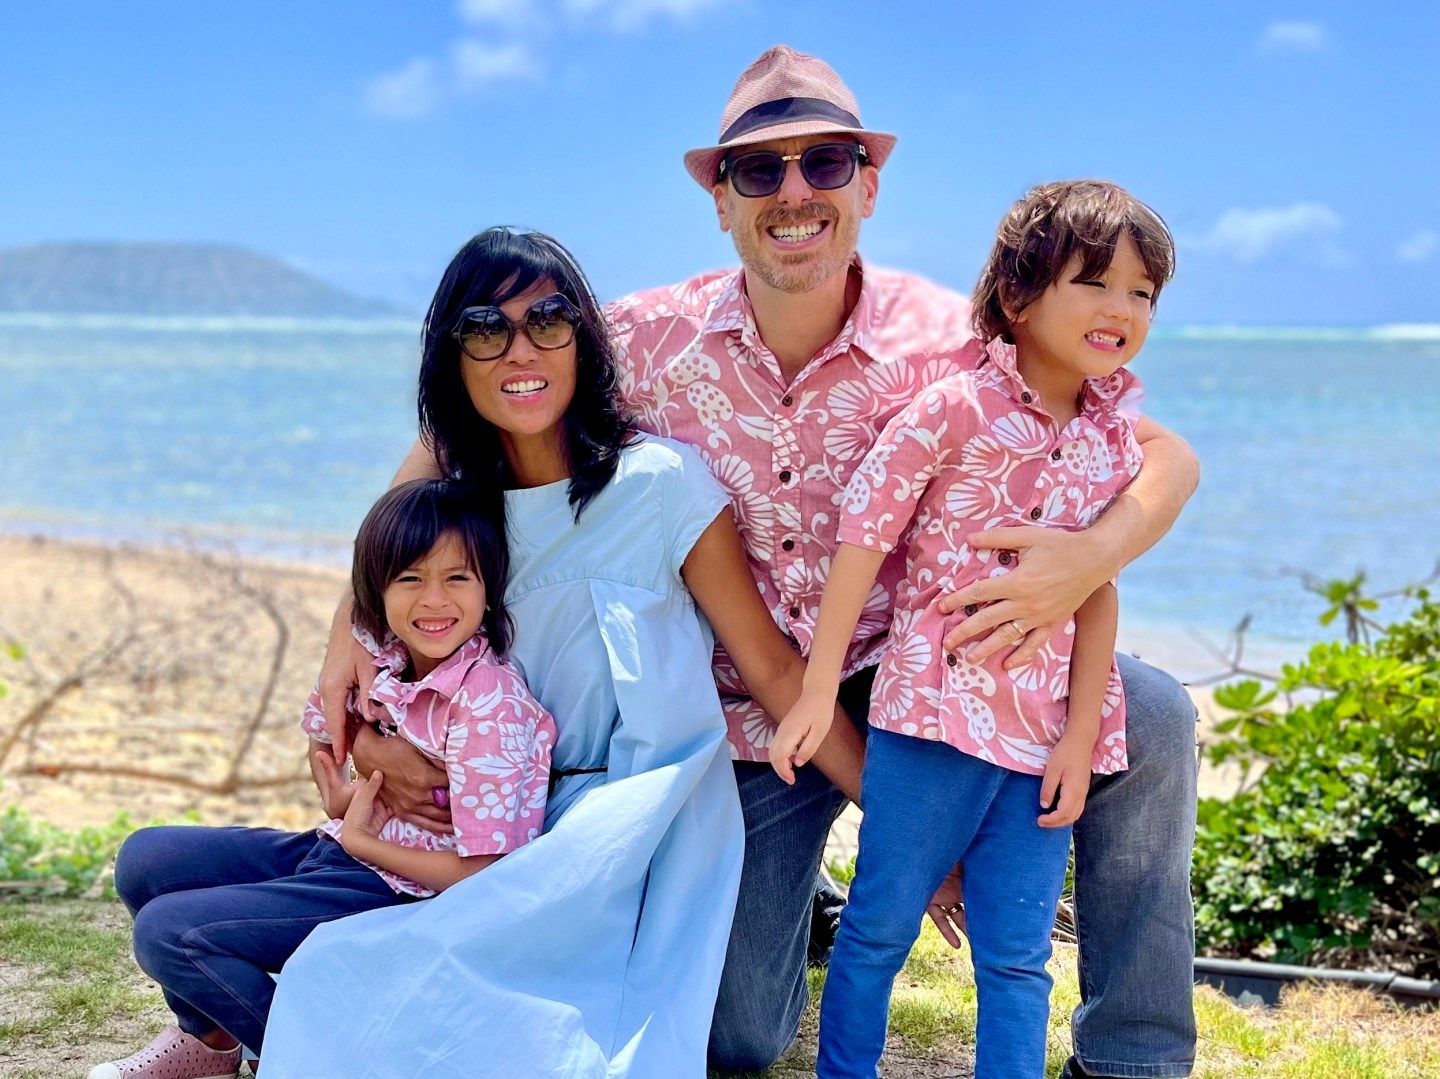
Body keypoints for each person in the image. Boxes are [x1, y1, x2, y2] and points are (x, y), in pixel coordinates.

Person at [331, 47, 1200, 1079]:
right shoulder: (643, 339)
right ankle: (822, 905)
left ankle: (1132, 1055)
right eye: (759, 169)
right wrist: (349, 627)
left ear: (868, 186)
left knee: (1150, 713)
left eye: (825, 162)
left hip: (932, 663)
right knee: (734, 1033)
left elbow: (1163, 453)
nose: (794, 191)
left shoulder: (954, 338)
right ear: (720, 199)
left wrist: (1088, 557)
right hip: (744, 710)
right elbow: (454, 433)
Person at [261, 227, 865, 1077]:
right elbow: (387, 625)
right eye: (484, 328)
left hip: (643, 811)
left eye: (549, 319)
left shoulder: (659, 483)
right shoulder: (459, 517)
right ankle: (212, 1016)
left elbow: (770, 668)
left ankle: (804, 913)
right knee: (365, 973)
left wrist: (914, 843)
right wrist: (360, 741)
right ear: (453, 355)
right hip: (502, 811)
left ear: (583, 336)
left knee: (735, 1040)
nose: (521, 348)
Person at [773, 180, 1176, 1079]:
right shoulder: (951, 409)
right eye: (1096, 282)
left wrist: (1081, 735)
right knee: (877, 926)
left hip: (1040, 742)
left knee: (1017, 954)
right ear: (1018, 297)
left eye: (1141, 293)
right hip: (930, 722)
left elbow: (1096, 588)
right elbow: (862, 542)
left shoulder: (1113, 438)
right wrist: (814, 688)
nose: (1121, 308)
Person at [91, 478, 556, 1079]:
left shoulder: (490, 704)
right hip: (338, 853)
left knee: (171, 933)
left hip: (400, 893)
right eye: (409, 579)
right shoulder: (383, 657)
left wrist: (365, 842)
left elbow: (486, 876)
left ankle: (317, 1060)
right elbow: (322, 732)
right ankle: (211, 1044)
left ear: (488, 589)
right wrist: (339, 789)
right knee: (145, 858)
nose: (433, 600)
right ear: (376, 590)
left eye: (457, 578)